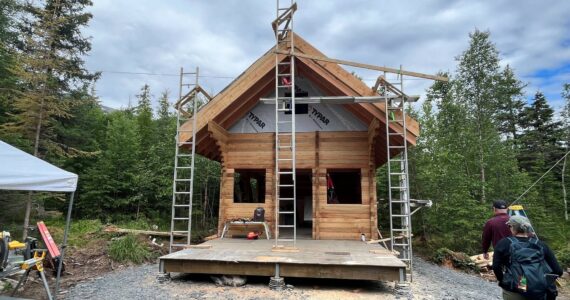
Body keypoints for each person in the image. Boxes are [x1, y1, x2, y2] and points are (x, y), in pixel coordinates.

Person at [493, 216, 563, 300]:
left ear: (512, 227)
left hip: (515, 289)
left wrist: (503, 280)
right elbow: (558, 271)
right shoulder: (540, 244)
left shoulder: (504, 243)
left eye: (509, 226)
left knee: (522, 282)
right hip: (539, 291)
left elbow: (496, 267)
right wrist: (541, 280)